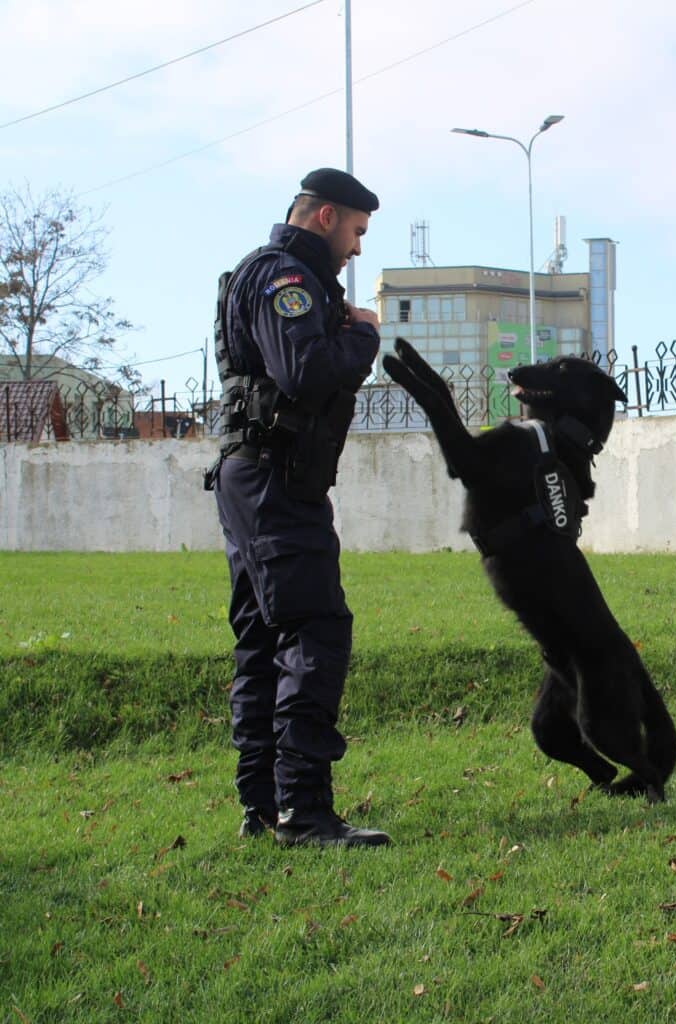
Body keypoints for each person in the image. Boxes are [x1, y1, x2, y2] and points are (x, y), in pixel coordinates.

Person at [206, 168, 390, 848]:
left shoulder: (269, 275)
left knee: (263, 639)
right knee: (315, 629)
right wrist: (364, 334)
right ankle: (304, 812)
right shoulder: (286, 279)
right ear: (324, 218)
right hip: (276, 480)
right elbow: (306, 374)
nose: (357, 248)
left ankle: (263, 807)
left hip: (256, 476)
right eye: (355, 231)